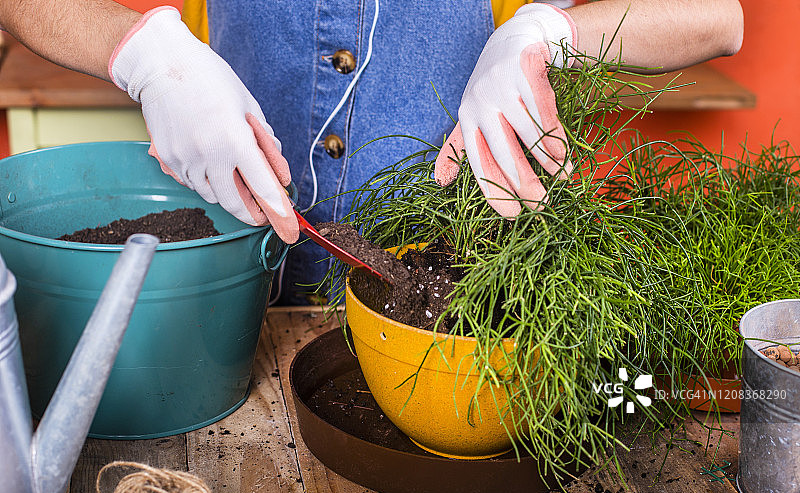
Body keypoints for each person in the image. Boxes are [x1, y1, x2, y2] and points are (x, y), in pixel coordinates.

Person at [0, 0, 743, 303]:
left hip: (452, 299)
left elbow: (718, 17)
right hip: (236, 288)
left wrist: (546, 33)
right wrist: (141, 52)